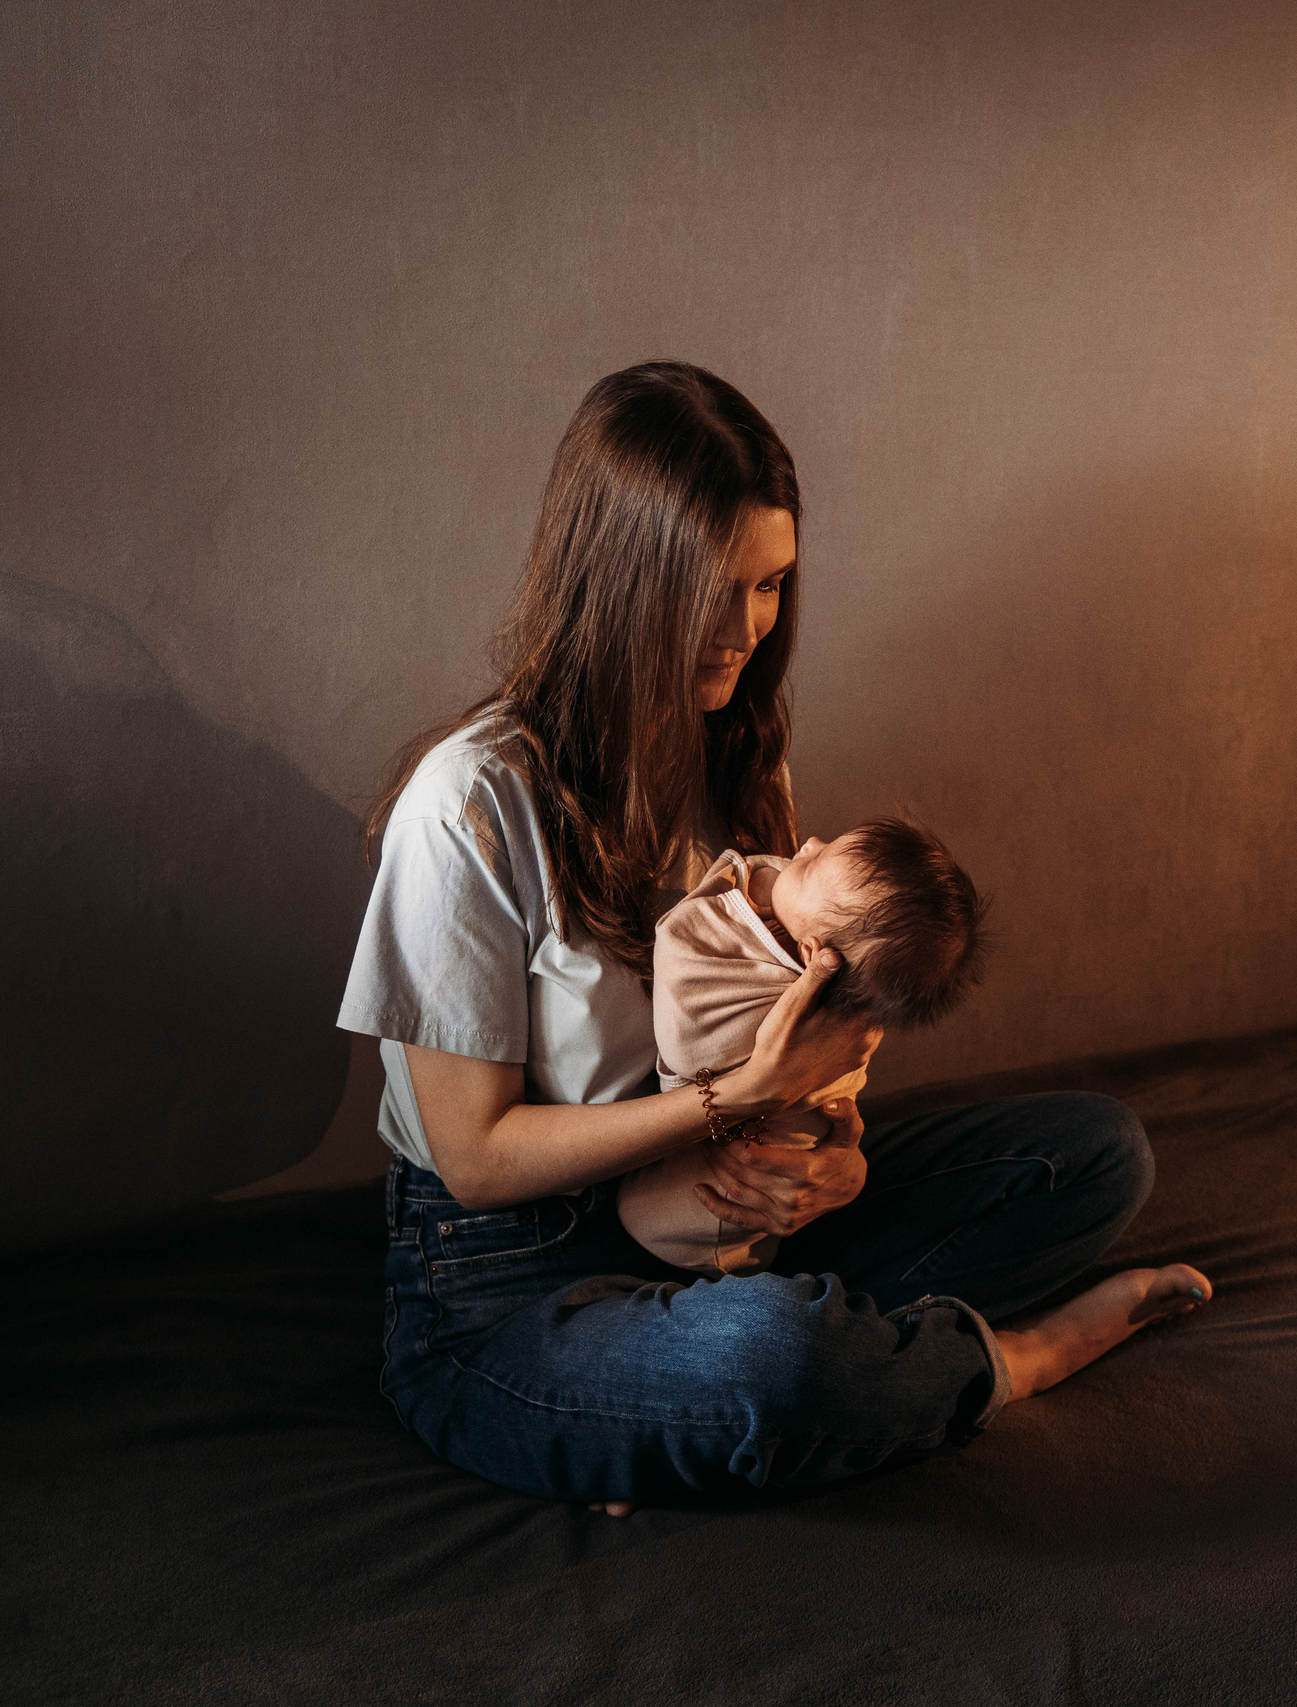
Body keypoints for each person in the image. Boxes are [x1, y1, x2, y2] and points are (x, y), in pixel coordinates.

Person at [338, 360, 1211, 1514]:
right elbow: (476, 1160)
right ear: (623, 579)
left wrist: (828, 1160)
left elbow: (803, 1054)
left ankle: (687, 1391)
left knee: (1098, 1154)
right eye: (717, 589)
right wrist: (733, 1098)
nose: (748, 627)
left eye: (772, 586)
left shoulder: (740, 766)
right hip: (506, 1278)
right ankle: (1005, 1363)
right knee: (774, 1360)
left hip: (718, 1224)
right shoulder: (468, 805)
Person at [619, 816, 987, 1279]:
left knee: (1098, 1141)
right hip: (690, 1178)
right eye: (823, 846)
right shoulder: (818, 943)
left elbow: (684, 961)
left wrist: (851, 1173)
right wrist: (759, 1085)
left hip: (702, 1219)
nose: (808, 843)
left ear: (814, 955)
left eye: (812, 864)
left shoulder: (810, 1008)